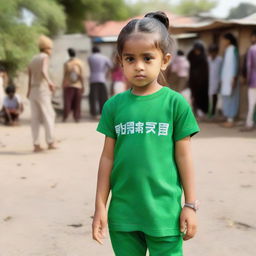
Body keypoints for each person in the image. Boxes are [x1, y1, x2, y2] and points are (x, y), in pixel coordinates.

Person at [92, 11, 200, 256]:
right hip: (123, 216)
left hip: (164, 216)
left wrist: (190, 205)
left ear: (164, 60)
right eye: (130, 59)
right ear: (120, 61)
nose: (138, 66)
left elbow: (184, 158)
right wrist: (100, 206)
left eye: (147, 58)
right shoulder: (114, 106)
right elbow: (107, 158)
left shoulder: (175, 104)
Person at [27, 35, 57, 152]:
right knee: (49, 115)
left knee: (35, 118)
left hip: (33, 91)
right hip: (42, 89)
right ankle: (50, 142)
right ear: (47, 48)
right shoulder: (44, 57)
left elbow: (29, 75)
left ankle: (36, 144)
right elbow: (43, 71)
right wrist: (50, 83)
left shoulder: (33, 59)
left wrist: (28, 91)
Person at [220, 33, 240, 128]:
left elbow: (235, 65)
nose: (222, 42)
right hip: (226, 79)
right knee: (226, 98)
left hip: (231, 79)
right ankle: (227, 118)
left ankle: (231, 119)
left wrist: (234, 78)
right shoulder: (227, 50)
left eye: (224, 40)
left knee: (231, 98)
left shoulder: (233, 50)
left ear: (228, 40)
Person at [88, 46, 112, 118]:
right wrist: (106, 73)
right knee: (103, 97)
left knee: (93, 97)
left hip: (93, 78)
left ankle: (94, 113)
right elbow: (111, 66)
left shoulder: (90, 58)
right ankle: (103, 112)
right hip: (102, 78)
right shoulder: (104, 57)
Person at [62, 48, 85, 122]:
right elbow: (81, 75)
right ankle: (77, 118)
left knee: (67, 102)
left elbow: (65, 75)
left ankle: (65, 117)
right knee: (77, 103)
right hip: (78, 85)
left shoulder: (67, 63)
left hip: (68, 85)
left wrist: (63, 85)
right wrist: (83, 85)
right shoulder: (80, 63)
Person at [188, 41, 209, 119]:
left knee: (201, 97)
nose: (197, 52)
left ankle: (202, 113)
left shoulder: (203, 59)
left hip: (202, 82)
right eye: (196, 50)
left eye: (198, 50)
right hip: (193, 81)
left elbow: (205, 72)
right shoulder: (192, 57)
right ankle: (195, 112)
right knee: (193, 97)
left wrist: (202, 81)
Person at [241, 30, 256, 131]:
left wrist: (247, 79)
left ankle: (249, 124)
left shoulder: (252, 49)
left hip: (253, 81)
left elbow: (249, 66)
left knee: (252, 103)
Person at [208, 44, 222, 118]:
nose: (213, 54)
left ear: (217, 52)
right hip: (209, 81)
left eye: (214, 52)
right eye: (211, 52)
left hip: (217, 81)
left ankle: (213, 113)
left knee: (215, 97)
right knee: (208, 98)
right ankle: (208, 113)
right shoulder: (208, 60)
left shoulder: (220, 60)